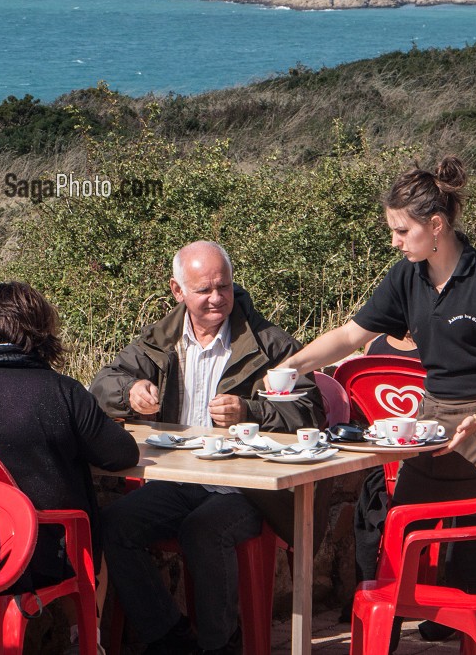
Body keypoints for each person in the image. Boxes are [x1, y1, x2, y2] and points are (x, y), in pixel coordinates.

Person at [282, 157, 476, 645]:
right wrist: (293, 366)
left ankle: (470, 628)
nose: (395, 242)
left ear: (437, 226)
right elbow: (350, 335)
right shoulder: (408, 277)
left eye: (402, 231)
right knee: (399, 520)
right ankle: (387, 629)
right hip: (436, 413)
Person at [90, 241, 322, 655]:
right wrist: (132, 392)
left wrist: (251, 410)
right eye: (204, 290)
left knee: (203, 530)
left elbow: (310, 410)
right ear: (178, 291)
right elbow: (102, 385)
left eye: (225, 287)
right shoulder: (159, 341)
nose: (217, 298)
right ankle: (168, 635)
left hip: (249, 488)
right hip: (182, 480)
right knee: (114, 525)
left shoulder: (269, 343)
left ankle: (220, 645)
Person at [0, 281, 139, 643]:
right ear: (40, 332)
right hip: (40, 553)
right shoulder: (61, 392)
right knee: (86, 535)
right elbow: (121, 454)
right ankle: (85, 640)